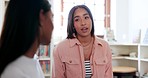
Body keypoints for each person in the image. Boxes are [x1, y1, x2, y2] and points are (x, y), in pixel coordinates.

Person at [52, 5, 113, 78]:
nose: (83, 23)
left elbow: (108, 75)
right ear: (72, 25)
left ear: (91, 20)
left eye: (86, 17)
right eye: (77, 19)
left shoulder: (104, 46)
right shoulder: (60, 48)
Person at [0, 0, 53, 78]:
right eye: (52, 18)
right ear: (41, 17)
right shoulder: (14, 73)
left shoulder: (33, 60)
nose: (53, 26)